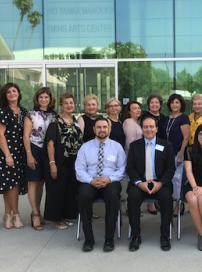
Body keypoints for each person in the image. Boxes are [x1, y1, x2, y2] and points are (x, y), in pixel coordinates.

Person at [75, 117, 126, 252]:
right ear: (94, 129)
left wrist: (109, 179)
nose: (102, 130)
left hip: (110, 182)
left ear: (109, 129)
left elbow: (123, 168)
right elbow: (79, 169)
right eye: (99, 127)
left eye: (104, 127)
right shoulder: (85, 147)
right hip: (90, 181)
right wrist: (91, 180)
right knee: (83, 196)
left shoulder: (117, 147)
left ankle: (109, 238)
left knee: (113, 197)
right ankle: (89, 238)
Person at [126, 116, 176, 251]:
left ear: (156, 128)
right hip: (140, 183)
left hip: (160, 183)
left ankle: (164, 235)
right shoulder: (134, 146)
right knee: (132, 198)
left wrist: (160, 183)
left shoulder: (166, 145)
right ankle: (135, 236)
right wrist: (138, 183)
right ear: (142, 129)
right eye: (146, 127)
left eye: (151, 126)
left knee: (167, 199)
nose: (149, 129)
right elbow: (130, 167)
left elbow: (171, 168)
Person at [45, 93, 84, 229]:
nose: (69, 105)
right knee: (57, 190)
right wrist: (52, 164)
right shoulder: (55, 121)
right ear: (61, 105)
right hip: (59, 160)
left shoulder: (74, 120)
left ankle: (65, 216)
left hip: (73, 161)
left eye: (71, 103)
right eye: (66, 103)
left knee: (69, 190)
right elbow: (50, 143)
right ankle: (56, 219)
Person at [0, 82, 28, 229]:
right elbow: (0, 135)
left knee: (11, 184)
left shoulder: (24, 111)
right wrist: (8, 155)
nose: (12, 94)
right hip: (6, 152)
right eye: (9, 92)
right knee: (11, 184)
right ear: (5, 96)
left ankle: (7, 215)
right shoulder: (3, 111)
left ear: (19, 93)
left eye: (14, 91)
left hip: (20, 151)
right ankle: (16, 215)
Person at [23, 87, 56, 230]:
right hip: (34, 148)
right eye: (41, 97)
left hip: (47, 150)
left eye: (46, 97)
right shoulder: (30, 114)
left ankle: (38, 211)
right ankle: (35, 214)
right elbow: (26, 135)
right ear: (37, 98)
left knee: (41, 182)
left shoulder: (54, 115)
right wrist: (29, 154)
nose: (43, 99)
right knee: (33, 182)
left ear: (50, 99)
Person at [164, 93, 190, 216]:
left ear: (181, 105)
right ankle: (170, 202)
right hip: (166, 154)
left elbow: (186, 138)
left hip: (177, 153)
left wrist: (181, 154)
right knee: (168, 179)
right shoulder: (167, 118)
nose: (174, 104)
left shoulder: (183, 118)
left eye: (177, 102)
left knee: (178, 179)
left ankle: (179, 204)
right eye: (172, 102)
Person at [142, 94, 167, 213]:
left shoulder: (163, 117)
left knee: (159, 170)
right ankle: (150, 204)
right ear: (148, 104)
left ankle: (157, 199)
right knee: (149, 170)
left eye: (157, 102)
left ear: (160, 105)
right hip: (148, 146)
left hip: (160, 146)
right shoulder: (145, 116)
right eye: (152, 102)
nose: (154, 104)